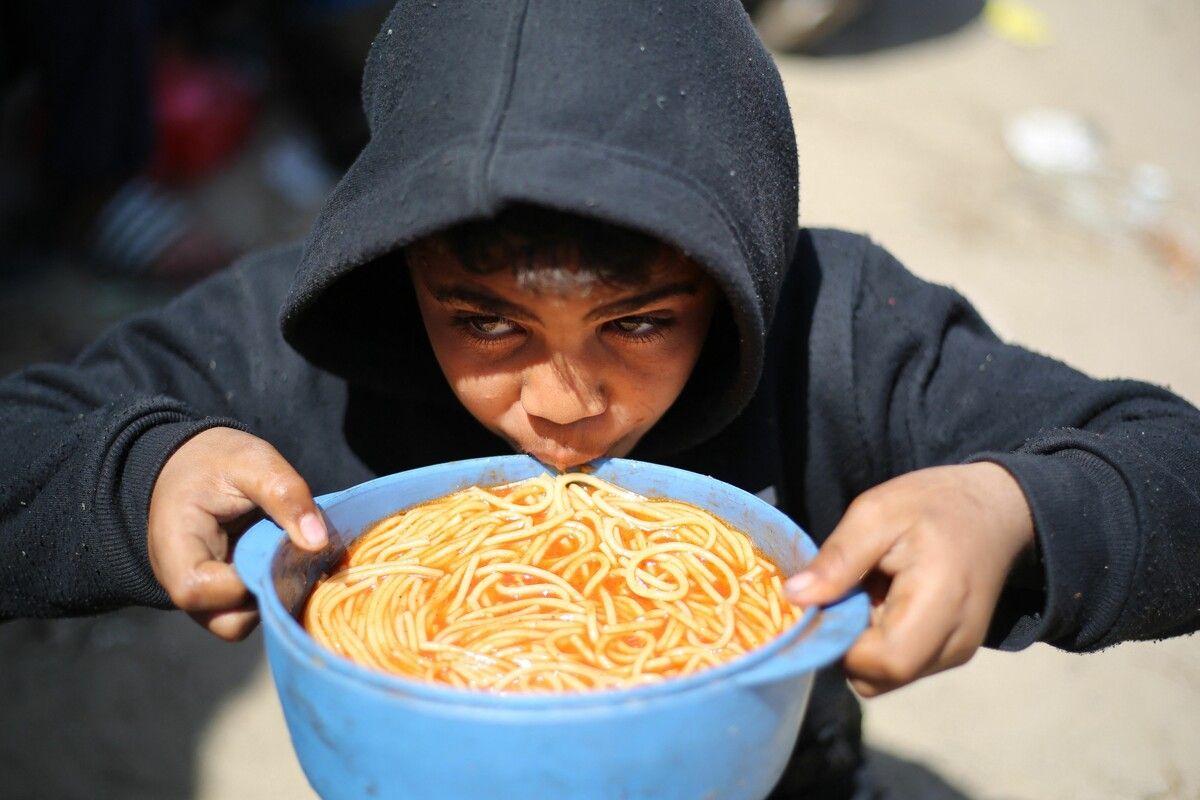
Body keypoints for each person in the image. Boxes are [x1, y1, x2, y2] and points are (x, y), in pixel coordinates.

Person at [1, 1, 1197, 797]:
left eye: (641, 322)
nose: (564, 401)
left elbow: (1168, 463)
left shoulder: (836, 329)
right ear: (399, 264)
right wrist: (137, 470)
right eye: (484, 321)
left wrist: (1016, 506)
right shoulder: (295, 344)